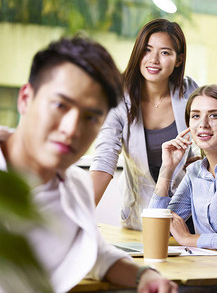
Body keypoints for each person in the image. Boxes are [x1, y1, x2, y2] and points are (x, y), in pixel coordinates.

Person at [0, 36, 177, 293]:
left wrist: (145, 277)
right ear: (26, 98)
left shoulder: (75, 187)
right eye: (60, 105)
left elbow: (93, 253)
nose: (71, 129)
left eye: (91, 117)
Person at [90, 18, 198, 230]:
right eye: (147, 50)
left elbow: (212, 139)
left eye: (165, 52)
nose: (154, 60)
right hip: (140, 215)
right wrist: (79, 217)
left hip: (186, 214)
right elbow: (104, 160)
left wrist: (200, 163)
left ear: (178, 59)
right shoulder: (118, 99)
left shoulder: (190, 92)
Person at [149, 84, 217, 252]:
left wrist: (189, 239)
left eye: (214, 116)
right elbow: (155, 233)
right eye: (195, 116)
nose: (203, 124)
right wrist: (168, 168)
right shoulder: (194, 171)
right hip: (204, 268)